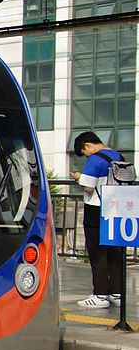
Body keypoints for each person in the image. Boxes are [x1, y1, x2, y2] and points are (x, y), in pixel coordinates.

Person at [69, 130, 124, 310]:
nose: (86, 156)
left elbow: (88, 187)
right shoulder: (119, 156)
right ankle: (117, 294)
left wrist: (78, 177)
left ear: (87, 145)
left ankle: (100, 295)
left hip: (96, 211)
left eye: (84, 153)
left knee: (98, 253)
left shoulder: (95, 159)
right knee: (115, 253)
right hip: (117, 210)